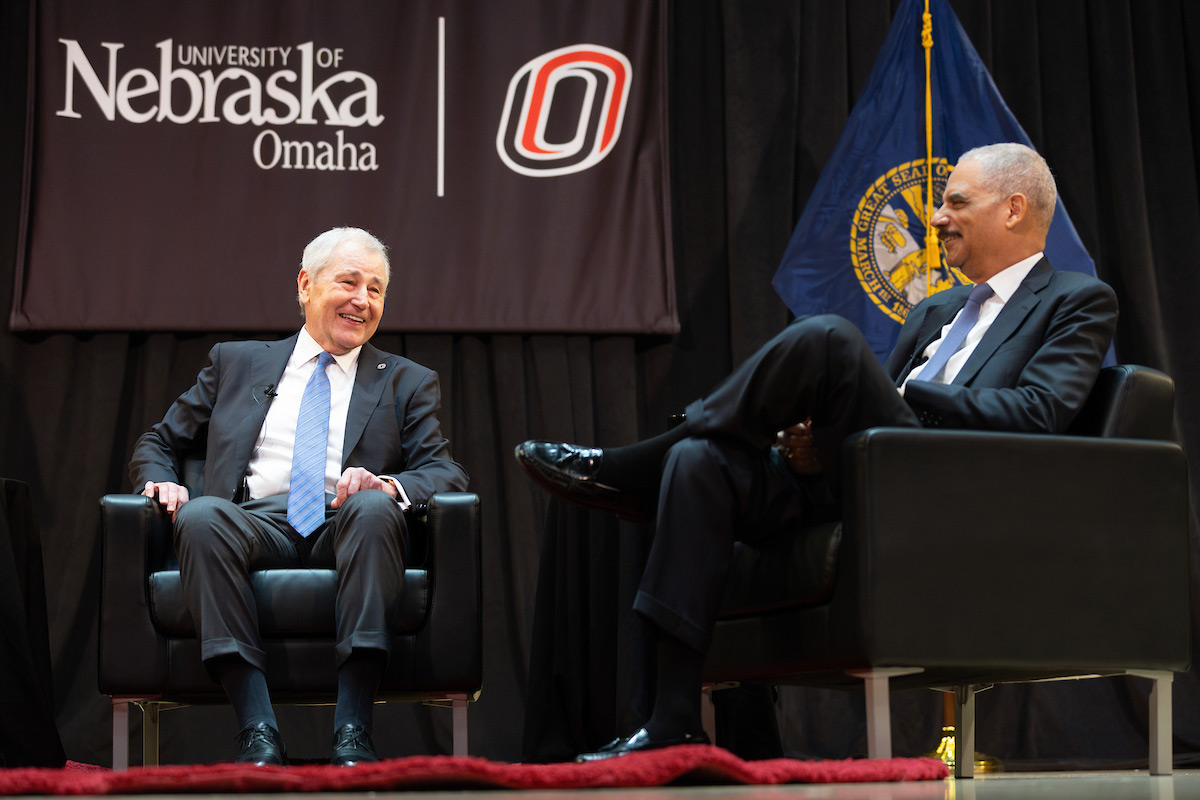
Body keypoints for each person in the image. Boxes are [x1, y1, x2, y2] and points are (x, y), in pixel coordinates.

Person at [515, 143, 1118, 761]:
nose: (936, 216)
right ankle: (673, 717)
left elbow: (1040, 413)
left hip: (943, 492)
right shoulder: (937, 307)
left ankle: (639, 465)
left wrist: (909, 394)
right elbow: (865, 408)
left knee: (829, 336)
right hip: (857, 477)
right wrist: (815, 445)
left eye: (955, 202)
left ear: (1014, 208)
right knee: (699, 466)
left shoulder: (1076, 298)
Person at [130, 227, 469, 766]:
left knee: (376, 507)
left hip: (347, 525)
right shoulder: (236, 363)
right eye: (350, 282)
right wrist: (160, 479)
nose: (363, 300)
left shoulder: (406, 380)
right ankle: (257, 730)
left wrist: (389, 484)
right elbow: (159, 440)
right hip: (254, 524)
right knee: (200, 516)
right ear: (306, 285)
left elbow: (445, 473)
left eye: (376, 289)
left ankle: (354, 730)